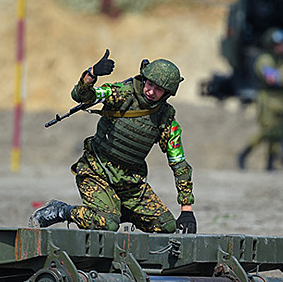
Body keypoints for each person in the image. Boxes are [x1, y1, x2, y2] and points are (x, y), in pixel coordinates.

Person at [29, 50, 196, 234]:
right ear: (144, 79)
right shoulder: (122, 94)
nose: (151, 91)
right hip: (96, 171)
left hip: (130, 183)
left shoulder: (166, 119)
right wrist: (91, 74)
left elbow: (179, 164)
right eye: (150, 84)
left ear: (167, 93)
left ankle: (115, 210)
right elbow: (83, 96)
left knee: (167, 226)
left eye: (159, 89)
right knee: (107, 223)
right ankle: (61, 211)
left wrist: (186, 209)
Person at [238, 28, 283, 171]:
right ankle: (244, 154)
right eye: (278, 44)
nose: (282, 47)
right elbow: (273, 79)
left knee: (278, 133)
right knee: (267, 132)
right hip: (268, 101)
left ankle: (270, 164)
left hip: (281, 101)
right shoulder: (265, 60)